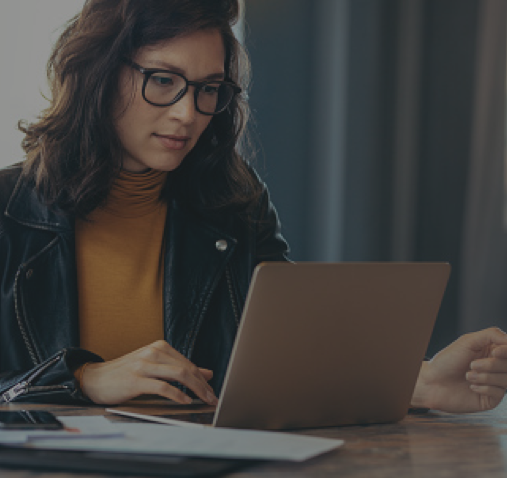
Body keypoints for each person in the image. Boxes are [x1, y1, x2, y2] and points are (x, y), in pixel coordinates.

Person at [0, 0, 506, 415]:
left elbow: (289, 356)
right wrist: (84, 379)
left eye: (208, 89)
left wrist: (418, 382)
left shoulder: (235, 206)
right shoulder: (8, 210)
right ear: (100, 74)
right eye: (162, 80)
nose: (186, 113)